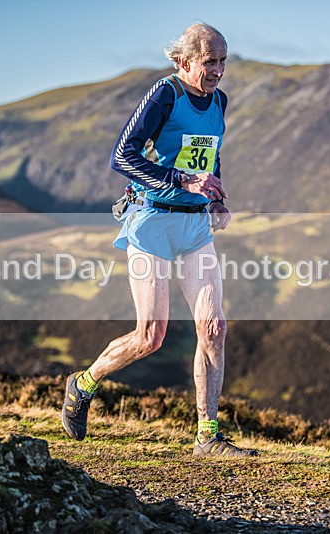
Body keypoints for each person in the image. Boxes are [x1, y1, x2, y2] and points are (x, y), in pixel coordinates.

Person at [61, 23, 257, 457]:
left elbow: (209, 151)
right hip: (151, 223)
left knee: (214, 327)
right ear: (184, 61)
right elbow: (123, 155)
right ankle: (83, 383)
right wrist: (182, 180)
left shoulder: (220, 100)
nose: (219, 71)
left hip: (193, 226)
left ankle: (208, 436)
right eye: (210, 62)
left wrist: (215, 196)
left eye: (223, 61)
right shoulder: (164, 94)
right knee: (150, 336)